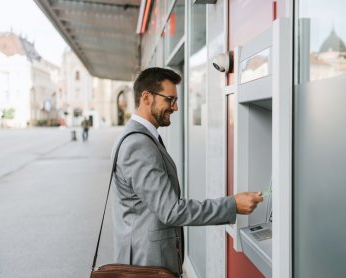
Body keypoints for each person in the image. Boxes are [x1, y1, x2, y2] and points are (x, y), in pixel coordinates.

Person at [111, 67, 263, 276]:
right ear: (147, 97)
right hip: (146, 264)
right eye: (170, 99)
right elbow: (171, 211)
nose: (175, 106)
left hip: (146, 258)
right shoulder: (139, 145)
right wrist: (232, 204)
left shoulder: (138, 137)